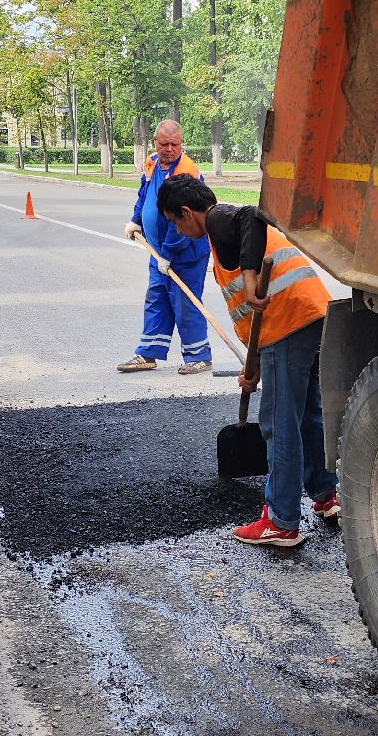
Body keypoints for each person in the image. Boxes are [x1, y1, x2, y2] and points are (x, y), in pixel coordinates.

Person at [157, 176, 338, 546]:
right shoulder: (220, 236)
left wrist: (252, 278)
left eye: (175, 222)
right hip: (311, 315)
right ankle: (325, 496)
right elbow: (248, 316)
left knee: (279, 422)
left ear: (188, 212)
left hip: (287, 323)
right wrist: (252, 365)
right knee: (307, 414)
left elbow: (252, 217)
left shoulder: (219, 219)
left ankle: (281, 520)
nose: (178, 229)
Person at [118, 121, 213, 375]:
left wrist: (168, 254)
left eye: (175, 144)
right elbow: (144, 194)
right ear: (155, 143)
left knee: (185, 302)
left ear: (181, 144)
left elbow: (183, 221)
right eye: (164, 144)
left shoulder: (185, 171)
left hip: (186, 250)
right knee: (156, 299)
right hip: (158, 251)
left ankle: (199, 355)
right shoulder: (151, 163)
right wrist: (136, 221)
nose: (169, 149)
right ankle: (148, 353)